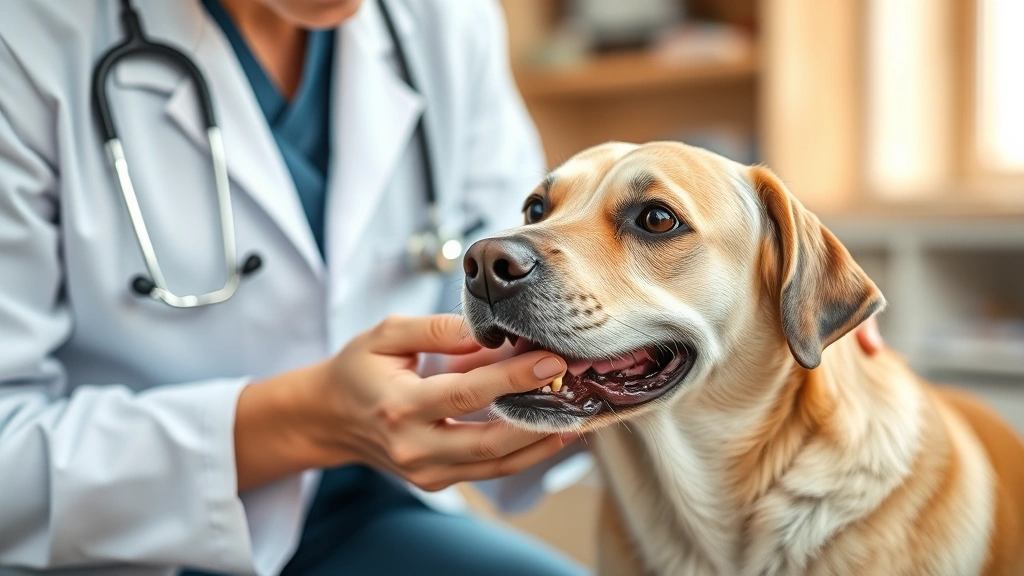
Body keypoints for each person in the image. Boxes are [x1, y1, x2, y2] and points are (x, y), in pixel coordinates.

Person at [0, 0, 886, 573]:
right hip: (106, 542)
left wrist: (756, 338)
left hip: (368, 518)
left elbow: (542, 281)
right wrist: (306, 418)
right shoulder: (30, 39)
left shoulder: (439, 21)